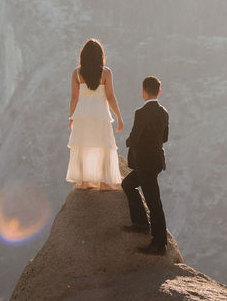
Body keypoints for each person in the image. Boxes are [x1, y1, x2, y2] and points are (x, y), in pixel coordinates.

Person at [66, 39, 124, 190]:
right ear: (100, 56)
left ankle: (85, 181)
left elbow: (74, 98)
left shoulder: (77, 73)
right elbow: (110, 96)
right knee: (103, 144)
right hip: (100, 113)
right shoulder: (106, 73)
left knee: (83, 144)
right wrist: (118, 116)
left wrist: (72, 116)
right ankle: (104, 182)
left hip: (82, 113)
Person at [121, 75, 169, 255]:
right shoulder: (164, 112)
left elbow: (135, 138)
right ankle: (141, 223)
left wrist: (128, 141)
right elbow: (165, 137)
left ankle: (159, 243)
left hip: (144, 163)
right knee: (128, 184)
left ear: (143, 91)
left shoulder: (140, 113)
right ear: (159, 91)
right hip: (156, 162)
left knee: (154, 203)